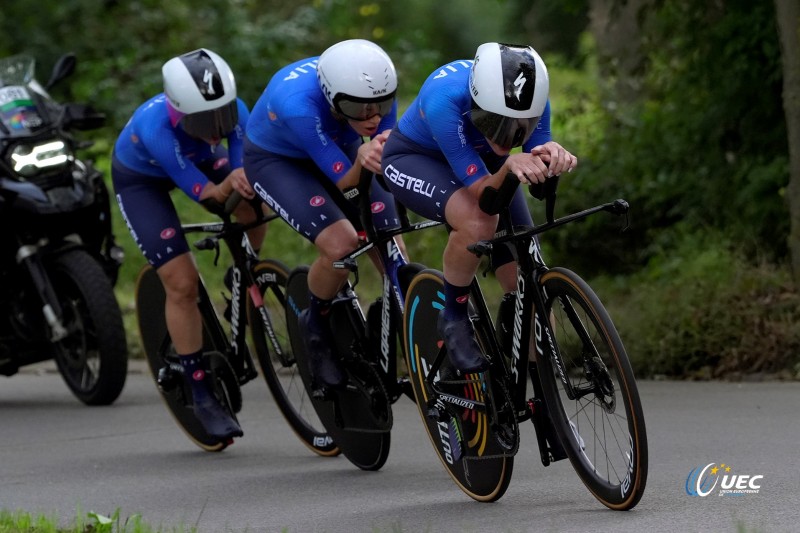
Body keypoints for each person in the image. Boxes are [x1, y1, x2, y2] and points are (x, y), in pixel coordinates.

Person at [381, 42, 578, 374]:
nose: (506, 138)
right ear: (476, 101)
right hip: (418, 159)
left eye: (518, 126)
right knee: (477, 222)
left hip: (488, 166)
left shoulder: (534, 103)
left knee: (525, 274)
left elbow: (537, 176)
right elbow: (484, 196)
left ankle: (542, 387)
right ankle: (453, 317)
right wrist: (510, 162)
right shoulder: (444, 99)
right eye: (493, 122)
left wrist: (551, 157)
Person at [112, 48, 262, 440]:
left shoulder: (236, 109)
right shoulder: (155, 126)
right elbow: (210, 196)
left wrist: (243, 182)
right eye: (203, 122)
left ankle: (240, 273)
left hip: (194, 157)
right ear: (177, 112)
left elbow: (241, 172)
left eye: (223, 118)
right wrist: (228, 183)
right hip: (142, 179)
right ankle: (199, 388)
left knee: (253, 203)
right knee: (181, 283)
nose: (217, 129)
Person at [244, 39, 403, 389]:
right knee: (341, 243)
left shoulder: (370, 88)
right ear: (333, 97)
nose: (373, 116)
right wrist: (364, 160)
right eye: (360, 109)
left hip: (336, 141)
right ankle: (314, 326)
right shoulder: (298, 105)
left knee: (391, 238)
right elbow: (348, 186)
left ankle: (404, 325)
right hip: (278, 162)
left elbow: (385, 148)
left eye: (381, 105)